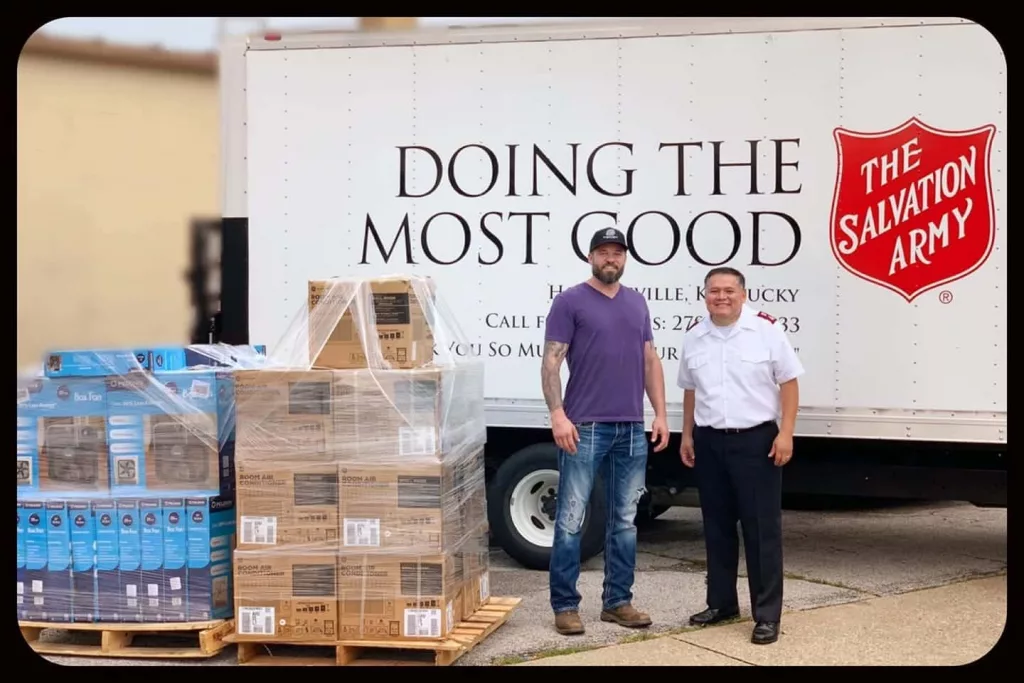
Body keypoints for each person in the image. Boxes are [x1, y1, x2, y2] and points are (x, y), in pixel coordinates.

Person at [541, 226, 670, 636]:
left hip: (631, 427)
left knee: (626, 520)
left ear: (625, 258)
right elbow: (551, 362)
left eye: (617, 252)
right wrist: (558, 414)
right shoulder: (570, 301)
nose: (610, 258)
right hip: (585, 427)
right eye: (603, 252)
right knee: (572, 518)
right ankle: (565, 605)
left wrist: (661, 414)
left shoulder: (637, 303)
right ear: (591, 257)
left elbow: (650, 360)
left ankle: (618, 602)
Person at [676, 266, 803, 645]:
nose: (721, 297)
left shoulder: (765, 331)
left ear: (743, 295)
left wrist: (786, 433)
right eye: (714, 291)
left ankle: (766, 615)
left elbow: (790, 382)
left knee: (761, 530)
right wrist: (687, 435)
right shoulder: (695, 337)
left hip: (756, 442)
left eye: (729, 290)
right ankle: (721, 603)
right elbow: (689, 389)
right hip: (710, 441)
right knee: (716, 527)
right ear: (705, 297)